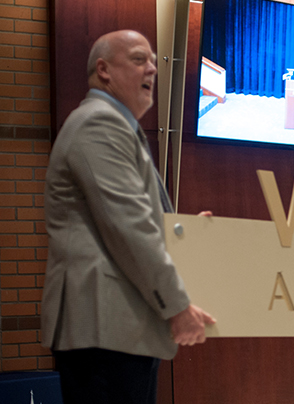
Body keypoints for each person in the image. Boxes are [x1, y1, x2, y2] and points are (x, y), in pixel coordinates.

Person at [42, 30, 216, 404]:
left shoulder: (118, 126)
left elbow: (128, 218)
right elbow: (128, 229)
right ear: (103, 70)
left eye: (153, 59)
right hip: (105, 327)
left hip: (120, 325)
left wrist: (187, 234)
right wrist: (178, 306)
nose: (152, 67)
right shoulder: (98, 123)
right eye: (139, 59)